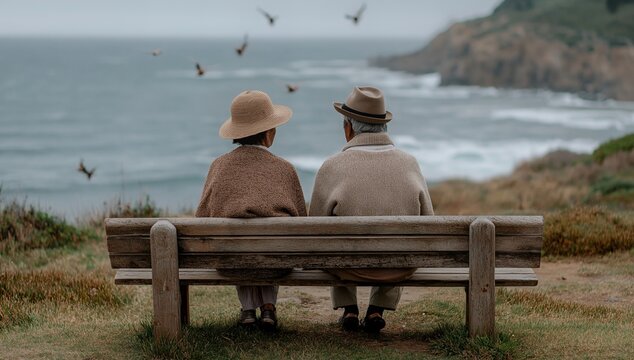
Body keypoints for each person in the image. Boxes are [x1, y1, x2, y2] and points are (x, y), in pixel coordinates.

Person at [309, 86, 434, 333]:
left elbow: (314, 226)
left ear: (348, 128)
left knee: (331, 239)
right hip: (397, 267)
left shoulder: (331, 166)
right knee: (400, 243)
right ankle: (377, 309)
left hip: (347, 266)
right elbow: (429, 220)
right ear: (384, 126)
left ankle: (349, 309)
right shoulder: (410, 163)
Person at [196, 90, 307, 331]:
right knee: (271, 246)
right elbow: (302, 221)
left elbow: (202, 217)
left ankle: (248, 309)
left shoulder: (219, 167)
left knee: (238, 245)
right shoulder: (285, 169)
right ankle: (268, 307)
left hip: (231, 261)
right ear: (269, 133)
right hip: (277, 262)